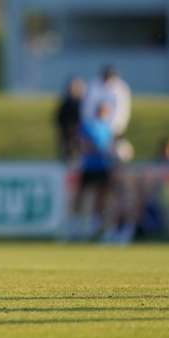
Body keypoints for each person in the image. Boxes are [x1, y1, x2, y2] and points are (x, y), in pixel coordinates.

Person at [63, 101, 115, 241]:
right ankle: (73, 225)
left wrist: (111, 152)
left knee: (102, 197)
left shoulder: (107, 128)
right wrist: (95, 149)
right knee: (81, 195)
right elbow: (81, 143)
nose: (104, 114)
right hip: (90, 166)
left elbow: (110, 146)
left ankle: (96, 226)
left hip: (103, 166)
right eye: (103, 111)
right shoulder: (88, 125)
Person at [81, 65, 131, 138]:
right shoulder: (93, 85)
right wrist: (92, 127)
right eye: (106, 76)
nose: (107, 80)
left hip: (114, 131)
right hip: (92, 129)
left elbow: (121, 112)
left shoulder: (121, 89)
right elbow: (87, 108)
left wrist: (113, 130)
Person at [54, 76, 85, 162]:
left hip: (77, 133)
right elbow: (59, 117)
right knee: (68, 154)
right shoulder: (66, 102)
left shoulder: (81, 102)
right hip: (68, 133)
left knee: (77, 154)